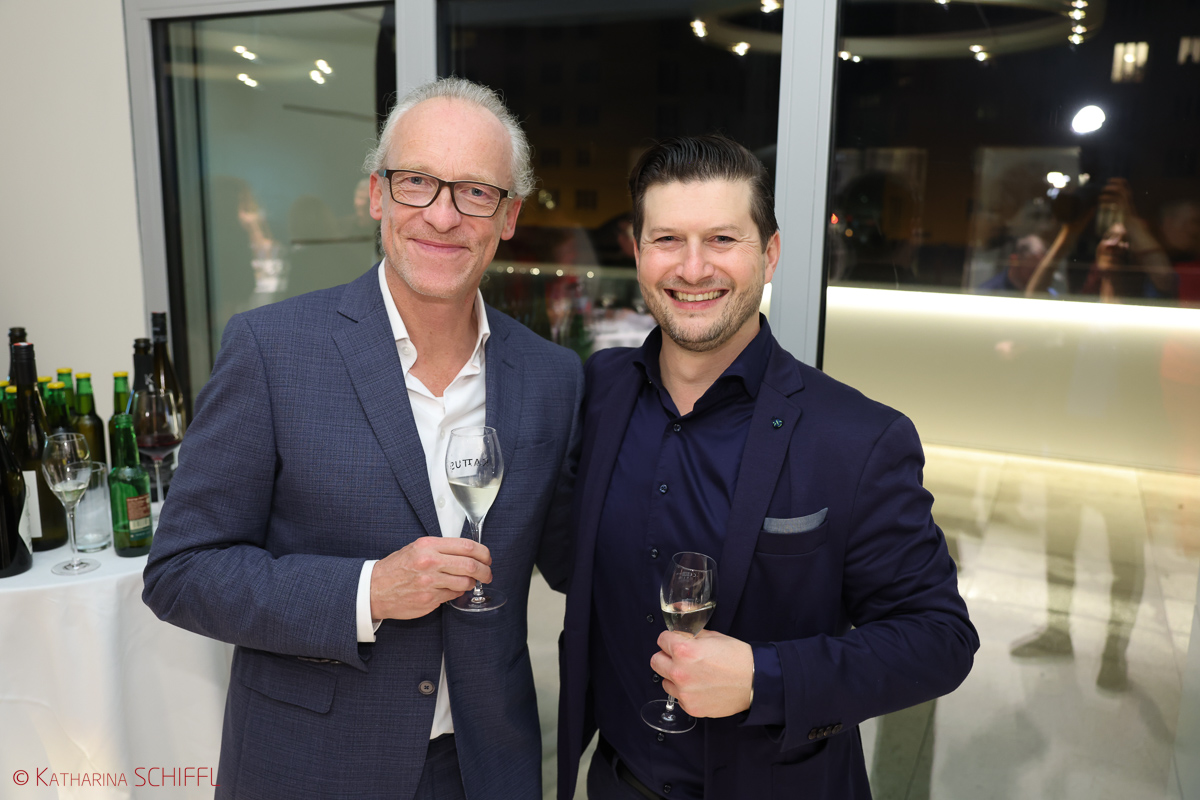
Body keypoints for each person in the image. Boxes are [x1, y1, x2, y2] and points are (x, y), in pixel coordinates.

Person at [143, 77, 583, 800]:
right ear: (378, 195)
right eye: (417, 182)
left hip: (485, 768)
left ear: (509, 217)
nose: (442, 215)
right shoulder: (271, 351)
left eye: (475, 192)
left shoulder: (552, 377)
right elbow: (182, 572)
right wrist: (368, 591)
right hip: (314, 768)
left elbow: (578, 556)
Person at [556, 135, 978, 800]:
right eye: (667, 240)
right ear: (637, 253)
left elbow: (938, 639)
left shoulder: (857, 437)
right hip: (614, 782)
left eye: (722, 239)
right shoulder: (599, 391)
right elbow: (569, 556)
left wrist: (764, 678)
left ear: (770, 254)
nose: (693, 267)